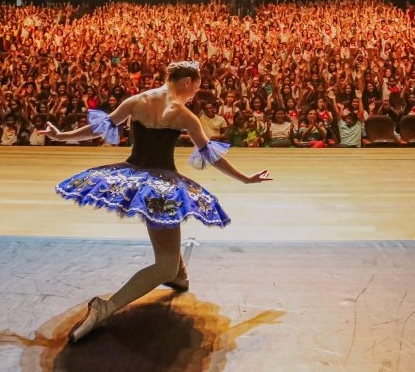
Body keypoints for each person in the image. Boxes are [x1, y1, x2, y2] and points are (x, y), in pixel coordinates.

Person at [42, 60, 271, 343]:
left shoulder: (136, 101)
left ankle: (179, 276)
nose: (194, 95)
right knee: (164, 263)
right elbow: (211, 157)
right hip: (162, 187)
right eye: (196, 89)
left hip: (133, 179)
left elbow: (100, 129)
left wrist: (61, 136)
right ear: (187, 82)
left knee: (169, 247)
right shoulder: (185, 115)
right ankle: (106, 307)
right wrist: (245, 178)